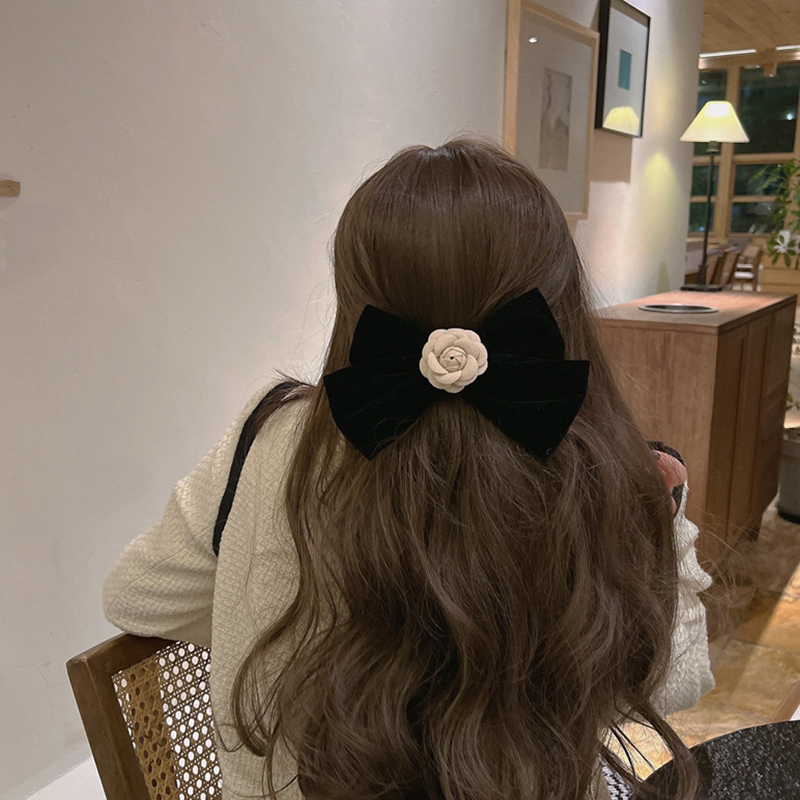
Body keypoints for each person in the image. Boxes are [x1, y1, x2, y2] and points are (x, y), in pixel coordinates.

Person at [104, 139, 714, 800]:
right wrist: (661, 520)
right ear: (557, 306)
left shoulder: (271, 438)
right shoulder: (591, 465)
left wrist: (284, 617)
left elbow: (135, 596)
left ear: (358, 304)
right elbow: (677, 677)